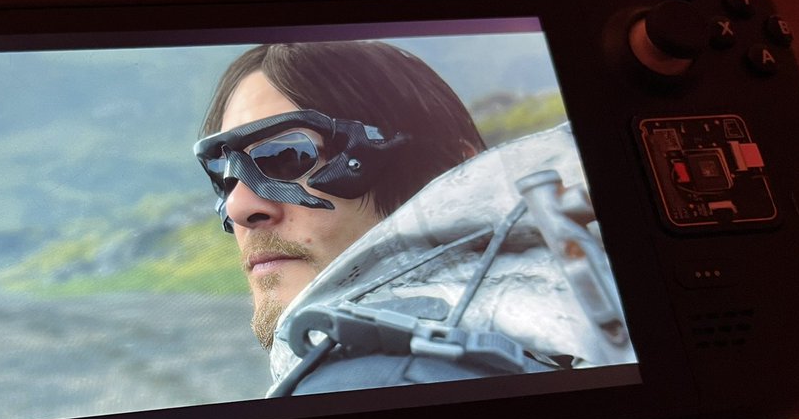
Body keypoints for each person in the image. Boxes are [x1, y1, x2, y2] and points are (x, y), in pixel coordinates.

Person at [194, 40, 634, 397]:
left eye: (288, 155)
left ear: (452, 173)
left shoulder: (360, 389)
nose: (238, 208)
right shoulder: (581, 350)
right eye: (223, 178)